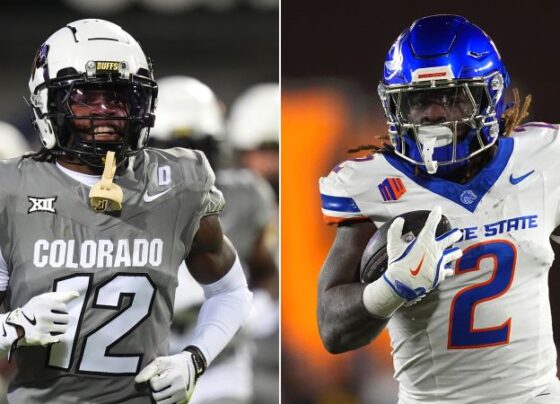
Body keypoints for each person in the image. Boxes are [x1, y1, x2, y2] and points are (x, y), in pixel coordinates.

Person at [0, 19, 252, 404]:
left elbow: (230, 290)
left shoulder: (179, 181)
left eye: (119, 97)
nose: (106, 112)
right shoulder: (11, 190)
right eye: (87, 97)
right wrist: (10, 328)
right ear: (48, 102)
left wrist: (194, 359)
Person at [318, 14, 560, 403]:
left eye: (451, 97)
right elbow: (331, 328)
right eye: (418, 100)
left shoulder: (545, 160)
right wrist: (390, 288)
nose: (433, 113)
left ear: (489, 95)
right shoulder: (372, 186)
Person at [149, 75, 278, 403]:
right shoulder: (125, 200)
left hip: (218, 363)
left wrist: (254, 305)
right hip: (146, 359)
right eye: (171, 150)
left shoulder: (245, 193)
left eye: (197, 148)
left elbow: (264, 268)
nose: (187, 163)